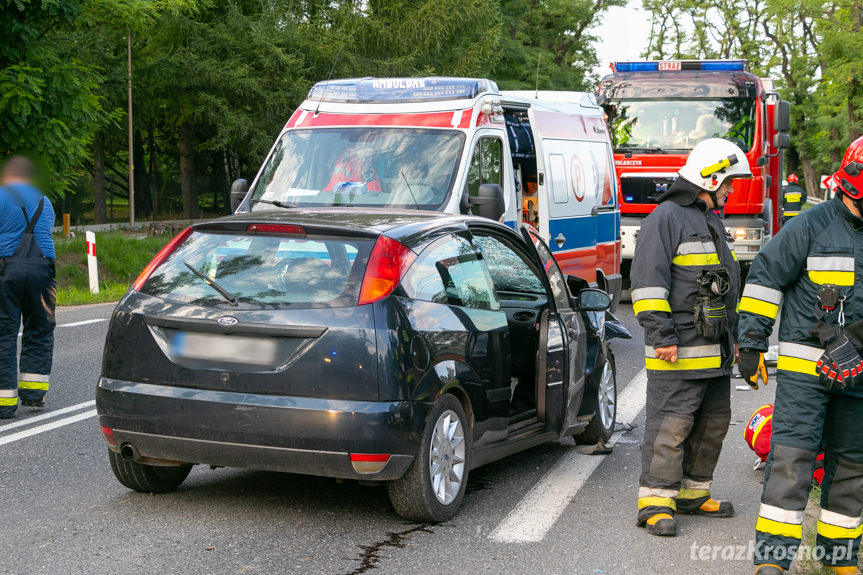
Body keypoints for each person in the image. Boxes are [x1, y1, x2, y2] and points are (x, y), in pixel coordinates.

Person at [739, 137, 863, 575]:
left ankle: (839, 558)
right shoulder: (810, 226)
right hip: (805, 371)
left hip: (859, 373)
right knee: (792, 462)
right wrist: (751, 343)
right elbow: (764, 278)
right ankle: (772, 561)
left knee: (852, 466)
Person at [631, 138, 751, 536]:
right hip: (676, 349)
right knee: (671, 425)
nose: (731, 190)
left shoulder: (708, 217)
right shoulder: (665, 218)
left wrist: (733, 338)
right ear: (710, 176)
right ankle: (655, 503)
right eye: (728, 183)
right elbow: (648, 284)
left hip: (715, 351)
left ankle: (692, 494)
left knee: (713, 422)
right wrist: (661, 335)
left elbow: (724, 287)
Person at [0, 156, 57, 418]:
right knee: (40, 328)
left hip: (7, 267)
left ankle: (4, 403)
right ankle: (34, 394)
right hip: (43, 269)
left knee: (4, 332)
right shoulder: (46, 202)